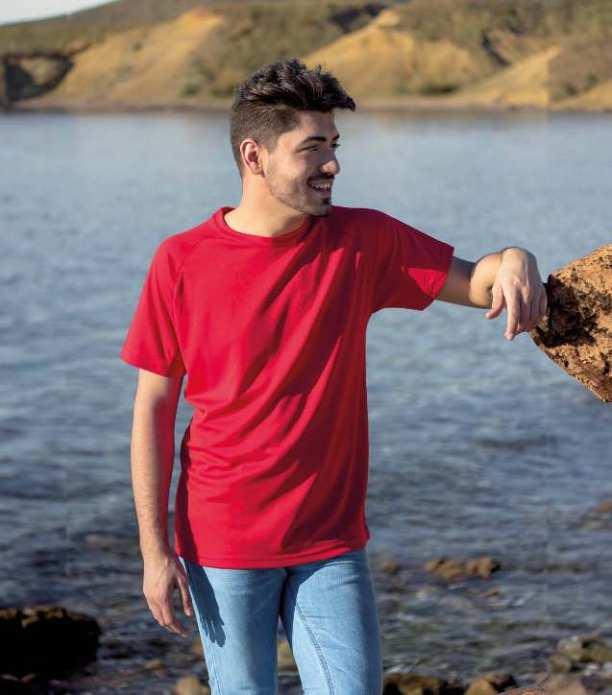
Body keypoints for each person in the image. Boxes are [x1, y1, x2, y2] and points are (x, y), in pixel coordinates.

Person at [119, 58, 547, 694]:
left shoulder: (363, 241)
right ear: (255, 156)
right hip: (222, 542)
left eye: (334, 146)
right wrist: (155, 552)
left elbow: (479, 282)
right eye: (312, 148)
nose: (332, 165)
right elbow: (153, 410)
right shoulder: (180, 261)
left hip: (330, 541)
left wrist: (516, 257)